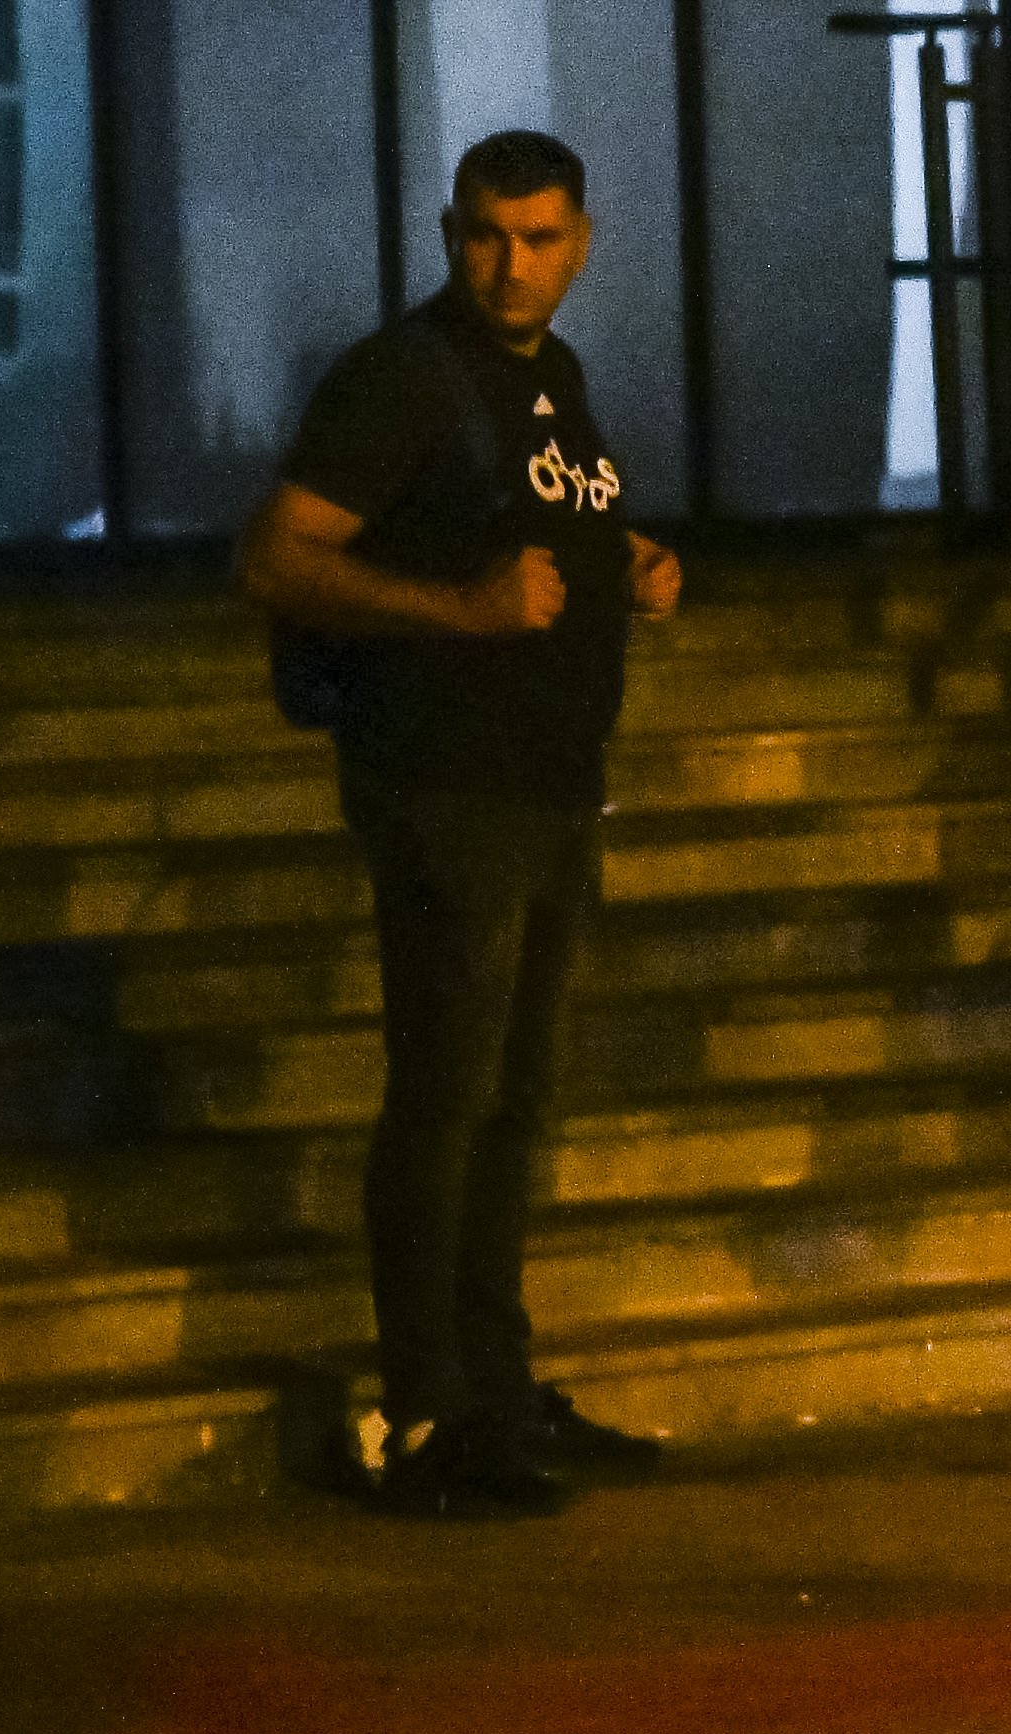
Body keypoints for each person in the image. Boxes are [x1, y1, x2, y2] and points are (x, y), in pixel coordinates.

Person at [238, 133, 686, 1525]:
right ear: (450, 236)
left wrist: (629, 561)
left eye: (541, 238)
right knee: (445, 1101)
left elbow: (534, 524)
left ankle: (495, 1391)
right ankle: (423, 1411)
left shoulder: (555, 378)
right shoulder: (400, 379)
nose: (512, 265)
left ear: (583, 243)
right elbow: (278, 556)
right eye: (488, 236)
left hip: (549, 785)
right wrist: (461, 612)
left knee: (513, 1103)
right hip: (446, 786)